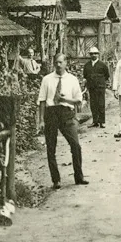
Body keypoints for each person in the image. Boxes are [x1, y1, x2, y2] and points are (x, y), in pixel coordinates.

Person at [37, 54, 89, 189]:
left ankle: (79, 177)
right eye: (56, 62)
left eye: (60, 62)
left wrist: (64, 100)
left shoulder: (72, 79)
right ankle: (56, 180)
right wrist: (41, 121)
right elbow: (42, 101)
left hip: (66, 113)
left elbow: (78, 100)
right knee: (51, 147)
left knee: (76, 145)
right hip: (51, 113)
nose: (58, 65)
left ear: (66, 63)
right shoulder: (47, 79)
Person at [82, 46, 110, 128]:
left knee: (101, 104)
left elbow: (107, 75)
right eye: (92, 54)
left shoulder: (102, 65)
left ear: (98, 54)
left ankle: (102, 121)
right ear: (90, 55)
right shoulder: (87, 65)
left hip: (100, 87)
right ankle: (95, 121)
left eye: (95, 53)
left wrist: (100, 81)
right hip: (91, 87)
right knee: (93, 104)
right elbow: (85, 76)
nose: (94, 55)